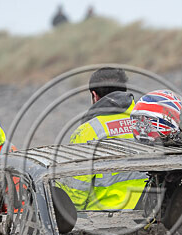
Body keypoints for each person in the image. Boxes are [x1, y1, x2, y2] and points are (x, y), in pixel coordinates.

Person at [60, 67, 147, 210]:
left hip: (101, 219)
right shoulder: (147, 122)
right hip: (146, 214)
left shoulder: (87, 131)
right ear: (124, 91)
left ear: (94, 95)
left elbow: (77, 189)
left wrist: (71, 215)